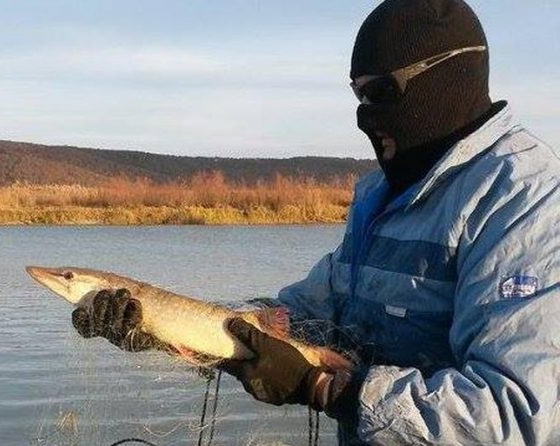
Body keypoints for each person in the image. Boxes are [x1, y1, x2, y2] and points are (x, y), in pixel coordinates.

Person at [71, 0, 560, 444]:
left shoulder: (526, 197)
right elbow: (304, 316)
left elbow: (516, 414)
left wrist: (325, 388)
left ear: (447, 79)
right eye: (357, 94)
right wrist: (159, 326)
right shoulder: (377, 195)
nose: (364, 115)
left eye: (381, 92)